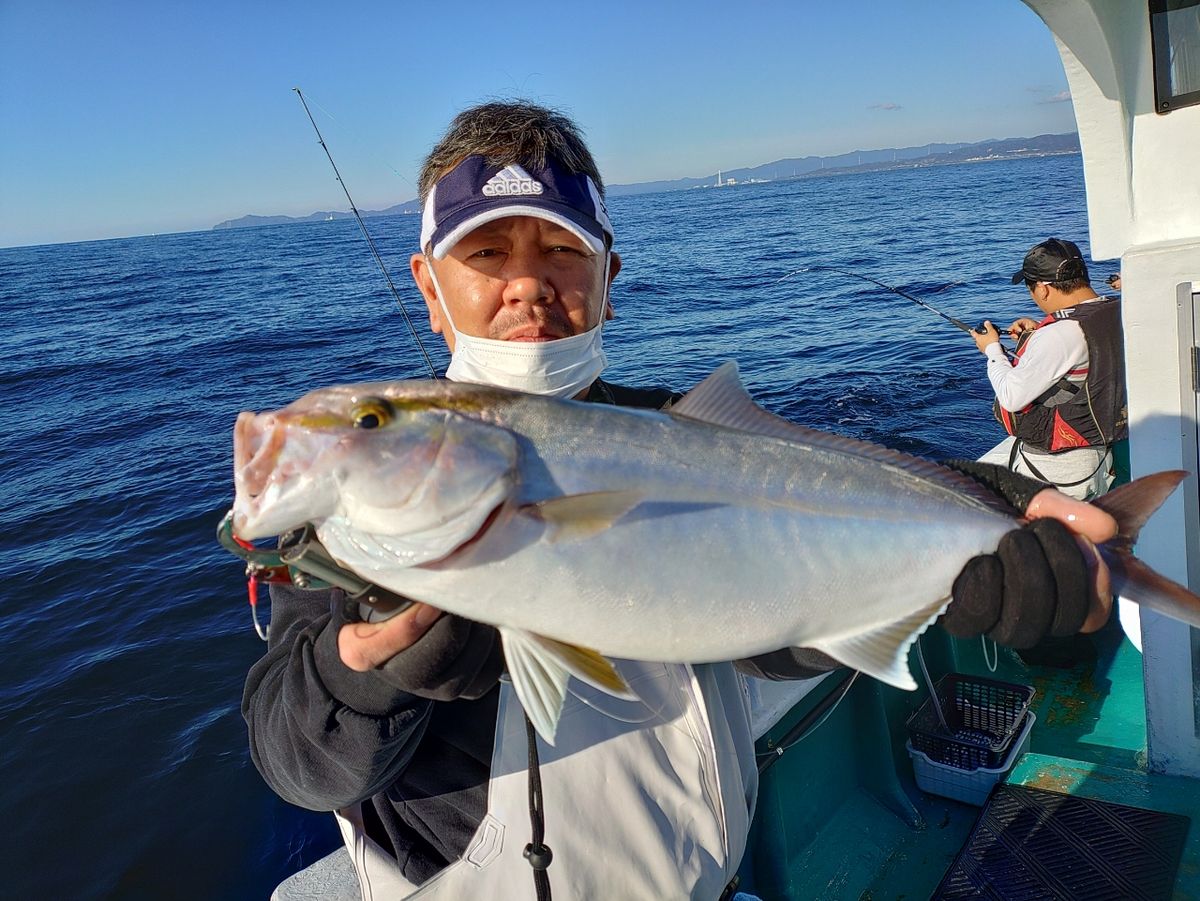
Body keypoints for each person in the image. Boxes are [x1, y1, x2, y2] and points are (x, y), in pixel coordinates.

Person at [243, 103, 1118, 901]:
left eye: (559, 249)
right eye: (484, 254)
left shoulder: (681, 431)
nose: (526, 284)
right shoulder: (346, 521)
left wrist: (978, 529)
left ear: (608, 276)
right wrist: (361, 675)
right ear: (429, 288)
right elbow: (298, 762)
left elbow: (761, 626)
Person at [972, 238, 1128, 501]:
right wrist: (1036, 333)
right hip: (1100, 457)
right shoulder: (1115, 309)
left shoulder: (1060, 335)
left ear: (1043, 289)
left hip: (1058, 472)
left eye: (1031, 289)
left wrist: (992, 349)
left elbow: (1011, 396)